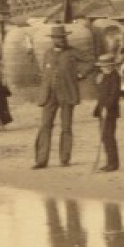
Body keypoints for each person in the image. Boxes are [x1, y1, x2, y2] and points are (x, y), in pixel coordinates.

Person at [33, 25, 87, 168]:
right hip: (49, 95)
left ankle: (64, 159)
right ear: (53, 40)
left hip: (67, 94)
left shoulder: (73, 52)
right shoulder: (48, 53)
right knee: (45, 126)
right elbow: (44, 72)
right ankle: (41, 160)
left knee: (66, 127)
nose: (61, 40)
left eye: (63, 37)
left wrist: (81, 74)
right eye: (57, 38)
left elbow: (90, 61)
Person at [91, 54, 122, 172]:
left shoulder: (115, 77)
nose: (102, 68)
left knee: (109, 136)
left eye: (104, 66)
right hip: (102, 110)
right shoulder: (103, 76)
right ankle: (109, 161)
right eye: (101, 66)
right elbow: (101, 93)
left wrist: (107, 108)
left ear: (111, 66)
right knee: (104, 136)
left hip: (110, 111)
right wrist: (98, 82)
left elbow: (114, 95)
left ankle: (113, 163)